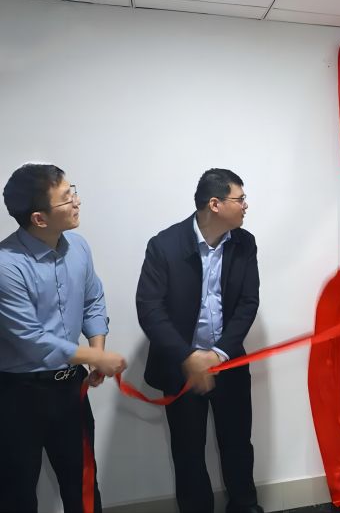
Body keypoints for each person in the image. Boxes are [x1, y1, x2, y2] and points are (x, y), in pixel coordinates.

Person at [0, 163, 127, 513]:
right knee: (17, 492)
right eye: (67, 197)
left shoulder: (79, 247)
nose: (77, 201)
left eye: (74, 191)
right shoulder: (6, 265)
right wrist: (95, 358)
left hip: (70, 387)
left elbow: (93, 300)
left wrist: (97, 350)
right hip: (18, 394)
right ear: (39, 218)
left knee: (83, 482)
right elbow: (31, 339)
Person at [136, 168, 263, 513]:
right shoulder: (165, 245)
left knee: (238, 444)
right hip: (181, 369)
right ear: (215, 204)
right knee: (188, 451)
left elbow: (248, 303)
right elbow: (150, 309)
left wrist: (219, 353)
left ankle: (245, 505)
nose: (246, 205)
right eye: (240, 199)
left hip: (229, 363)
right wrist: (188, 356)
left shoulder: (244, 243)